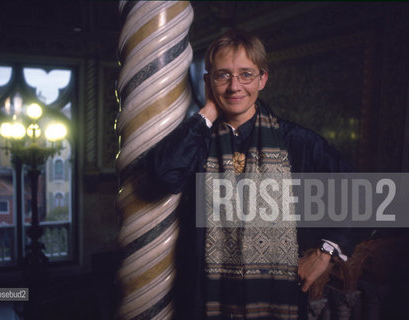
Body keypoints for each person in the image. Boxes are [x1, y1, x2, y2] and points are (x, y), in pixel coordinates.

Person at [145, 29, 355, 320]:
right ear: (208, 81)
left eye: (246, 74)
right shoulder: (198, 140)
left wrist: (325, 252)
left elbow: (365, 195)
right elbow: (162, 177)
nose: (234, 87)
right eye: (222, 76)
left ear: (262, 79)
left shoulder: (297, 141)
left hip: (279, 296)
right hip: (206, 297)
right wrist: (207, 111)